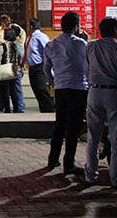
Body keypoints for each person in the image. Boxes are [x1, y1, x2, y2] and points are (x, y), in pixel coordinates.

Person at [83, 17, 117, 188]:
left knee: (93, 136)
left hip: (94, 91)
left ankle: (90, 174)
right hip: (113, 93)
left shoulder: (91, 46)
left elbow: (86, 68)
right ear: (113, 30)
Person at [44, 11, 88, 174]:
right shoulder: (81, 44)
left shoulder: (51, 44)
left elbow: (46, 68)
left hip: (61, 88)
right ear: (76, 26)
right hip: (78, 87)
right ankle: (68, 162)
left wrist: (54, 82)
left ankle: (52, 159)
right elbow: (87, 67)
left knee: (59, 124)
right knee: (73, 127)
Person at [24, 18, 55, 113]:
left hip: (40, 67)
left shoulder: (40, 37)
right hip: (32, 67)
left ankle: (50, 110)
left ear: (32, 26)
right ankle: (44, 110)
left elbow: (48, 50)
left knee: (42, 90)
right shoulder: (30, 37)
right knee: (37, 91)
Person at [0, 27, 22, 113]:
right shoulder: (17, 45)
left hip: (5, 69)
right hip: (14, 69)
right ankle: (16, 107)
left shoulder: (3, 45)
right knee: (14, 90)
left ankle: (7, 108)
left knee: (5, 90)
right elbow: (21, 56)